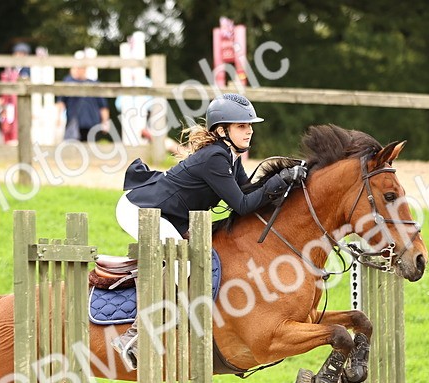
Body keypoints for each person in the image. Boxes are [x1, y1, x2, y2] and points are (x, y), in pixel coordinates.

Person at [111, 93, 301, 368]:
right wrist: (278, 182)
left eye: (250, 126)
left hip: (169, 214)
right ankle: (133, 337)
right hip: (140, 209)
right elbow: (244, 205)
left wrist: (284, 180)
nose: (249, 131)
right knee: (181, 265)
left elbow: (246, 192)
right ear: (222, 130)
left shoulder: (229, 157)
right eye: (241, 126)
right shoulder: (215, 158)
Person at [56, 52, 110, 142]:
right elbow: (61, 102)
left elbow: (103, 106)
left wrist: (105, 122)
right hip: (74, 125)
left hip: (92, 124)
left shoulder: (94, 83)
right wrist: (58, 118)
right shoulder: (68, 82)